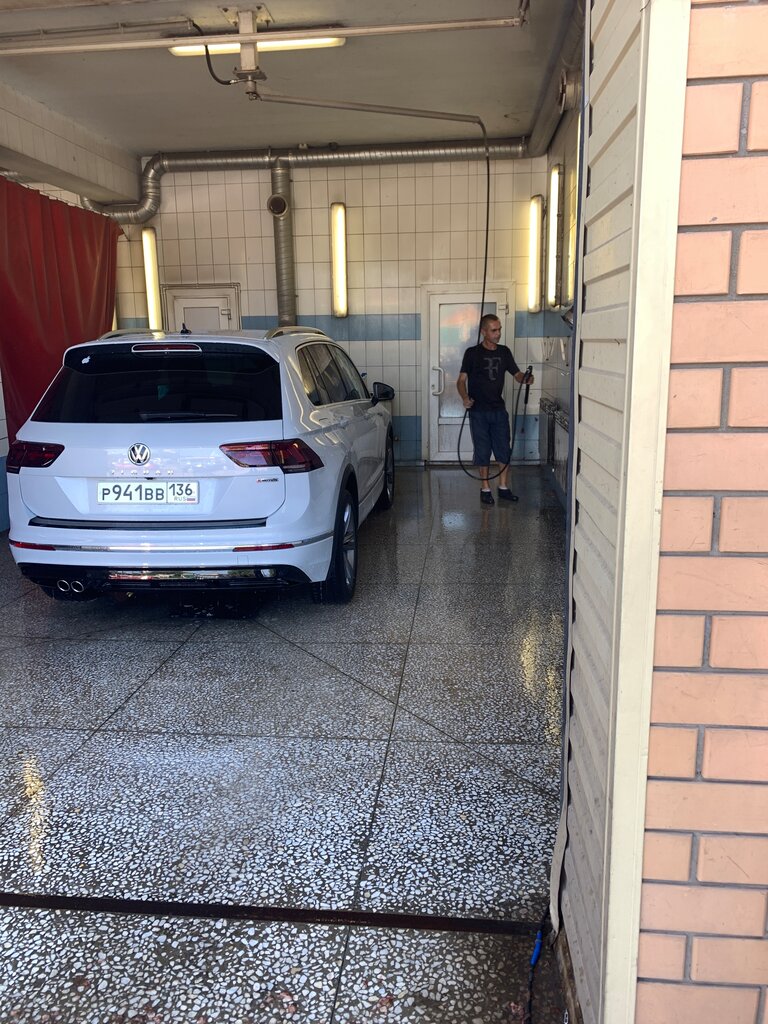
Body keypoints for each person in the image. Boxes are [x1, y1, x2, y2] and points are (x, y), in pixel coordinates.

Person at [456, 313, 533, 505]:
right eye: (494, 330)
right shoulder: (472, 353)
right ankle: (485, 489)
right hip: (478, 411)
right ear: (483, 332)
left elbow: (516, 374)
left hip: (498, 410)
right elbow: (461, 381)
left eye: (499, 330)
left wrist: (525, 378)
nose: (498, 333)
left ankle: (503, 487)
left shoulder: (504, 352)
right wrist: (465, 398)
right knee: (482, 450)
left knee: (503, 449)